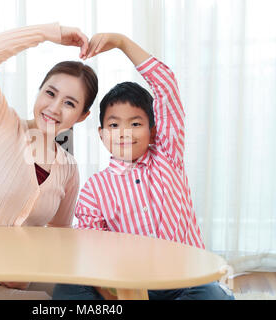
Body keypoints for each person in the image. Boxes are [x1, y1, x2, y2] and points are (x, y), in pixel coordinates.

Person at [52, 33, 234, 300]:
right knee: (67, 289)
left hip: (183, 280)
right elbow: (92, 250)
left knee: (212, 296)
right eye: (114, 125)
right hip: (127, 285)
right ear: (102, 134)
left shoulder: (167, 157)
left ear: (153, 130)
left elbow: (166, 87)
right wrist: (114, 291)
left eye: (135, 123)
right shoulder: (95, 189)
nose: (124, 132)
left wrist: (122, 43)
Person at [0, 23, 98, 300]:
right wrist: (51, 34)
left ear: (82, 117)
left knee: (91, 297)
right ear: (38, 92)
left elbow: (60, 236)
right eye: (50, 93)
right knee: (43, 302)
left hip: (16, 284)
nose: (53, 107)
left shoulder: (68, 170)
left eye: (69, 103)